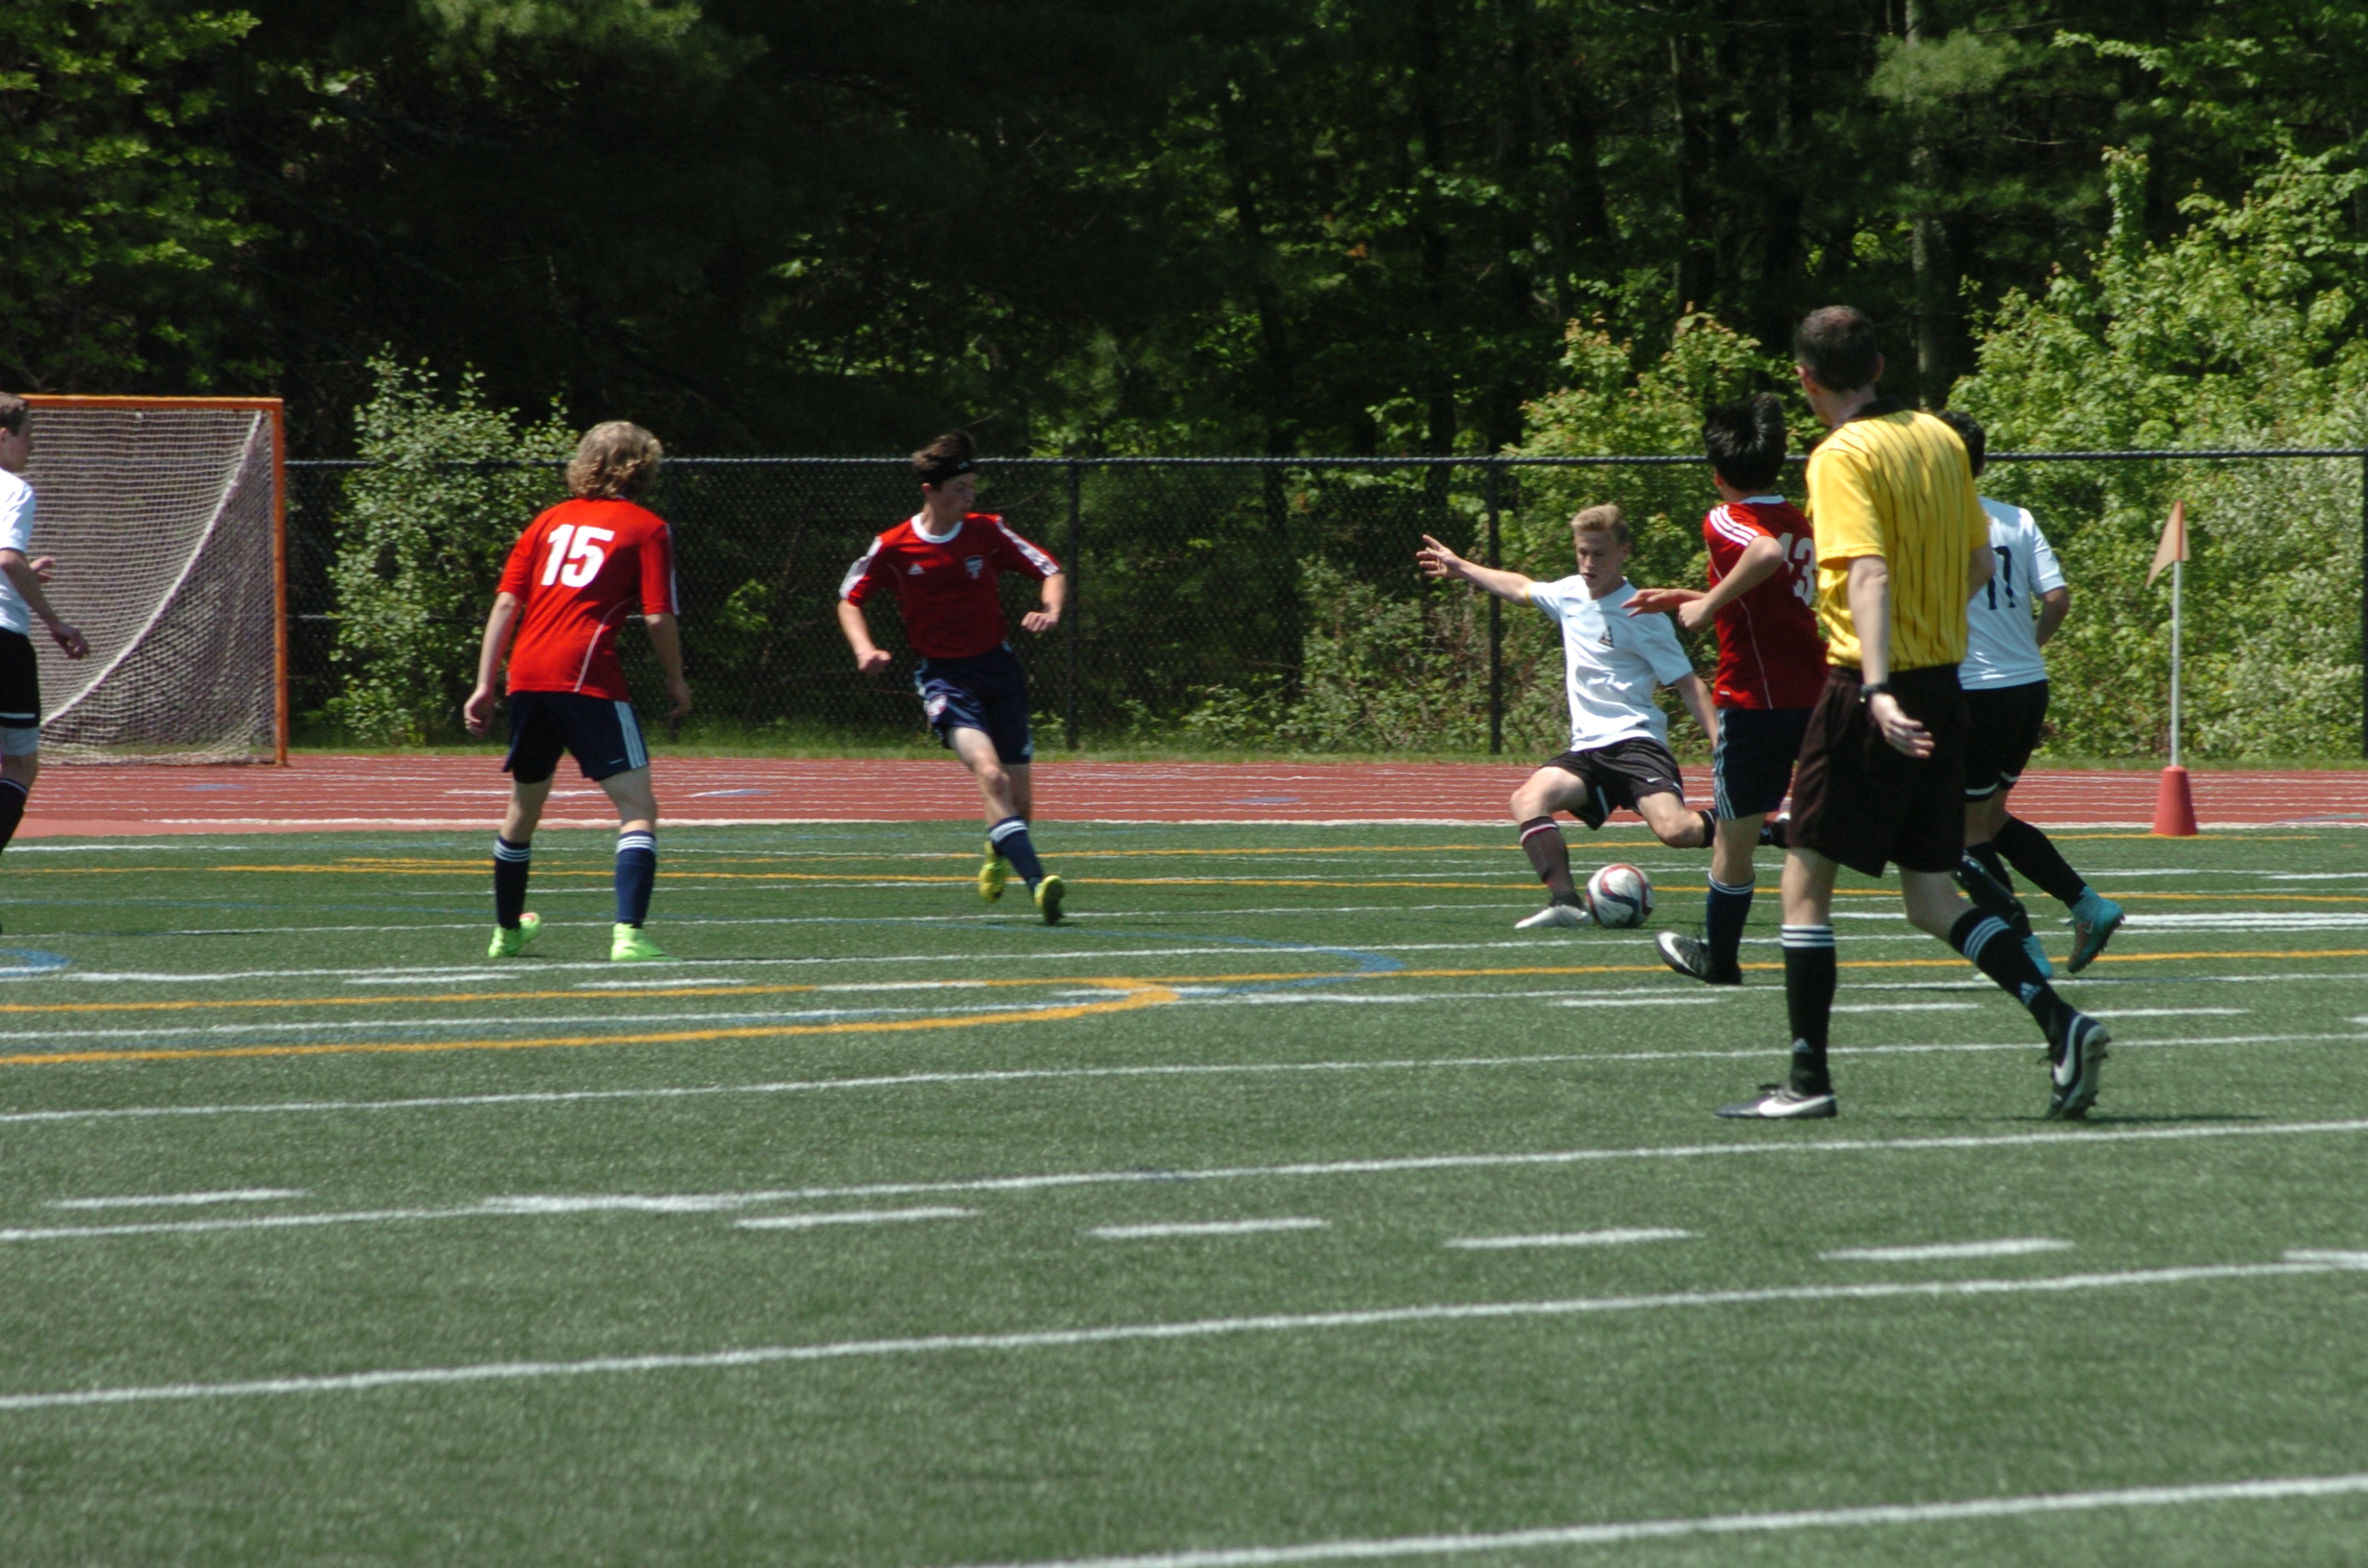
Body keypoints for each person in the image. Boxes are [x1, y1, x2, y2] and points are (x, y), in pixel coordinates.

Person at [1718, 307, 2109, 1121]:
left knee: (1804, 882)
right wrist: (1922, 646)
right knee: (1931, 896)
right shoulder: (1938, 438)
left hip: (1870, 690)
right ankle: (2061, 1022)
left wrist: (1877, 686)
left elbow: (1866, 571)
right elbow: (1977, 564)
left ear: (1805, 379)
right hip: (1943, 684)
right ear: (1879, 366)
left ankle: (1807, 1081)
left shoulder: (1839, 455)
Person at [1418, 503, 1717, 930]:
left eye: (1599, 553)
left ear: (1624, 552)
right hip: (1588, 750)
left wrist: (1721, 746)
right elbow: (1521, 588)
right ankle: (1566, 903)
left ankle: (1771, 828)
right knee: (1527, 800)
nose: (1588, 563)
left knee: (1676, 831)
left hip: (1636, 742)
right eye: (1582, 552)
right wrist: (1462, 567)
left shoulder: (1642, 614)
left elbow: (1690, 685)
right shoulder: (1570, 593)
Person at [463, 421, 690, 963]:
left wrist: (484, 683)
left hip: (527, 674)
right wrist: (676, 680)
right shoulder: (648, 527)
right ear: (642, 467)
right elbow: (658, 616)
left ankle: (507, 932)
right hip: (586, 675)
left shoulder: (547, 521)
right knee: (637, 807)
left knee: (523, 809)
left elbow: (506, 603)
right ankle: (628, 935)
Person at [1628, 393, 1825, 985]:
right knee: (1844, 821)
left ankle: (1721, 959)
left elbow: (1759, 554)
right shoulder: (1798, 520)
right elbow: (1776, 598)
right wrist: (1689, 596)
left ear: (1717, 471)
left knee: (1733, 843)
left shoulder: (1723, 518)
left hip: (1754, 704)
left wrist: (1708, 602)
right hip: (1815, 695)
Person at [838, 430, 1070, 923]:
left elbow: (1050, 570)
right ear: (930, 491)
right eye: (960, 488)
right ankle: (1040, 886)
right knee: (990, 774)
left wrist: (1050, 611)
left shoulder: (988, 531)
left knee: (1019, 804)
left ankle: (996, 849)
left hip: (999, 672)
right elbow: (849, 598)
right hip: (946, 679)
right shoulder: (893, 545)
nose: (970, 496)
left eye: (972, 487)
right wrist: (865, 649)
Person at [1936, 409, 2125, 972]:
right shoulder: (2017, 518)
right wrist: (2028, 647)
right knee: (1990, 818)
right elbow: (2058, 599)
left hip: (1975, 692)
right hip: (2027, 687)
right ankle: (2088, 905)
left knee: (1960, 830)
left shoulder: (1933, 524)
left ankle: (2019, 943)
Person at [0, 396, 90, 887]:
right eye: (27, 434)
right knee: (19, 764)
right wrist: (56, 622)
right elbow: (7, 559)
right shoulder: (13, 489)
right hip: (4, 641)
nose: (32, 445)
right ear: (3, 436)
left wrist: (23, 577)